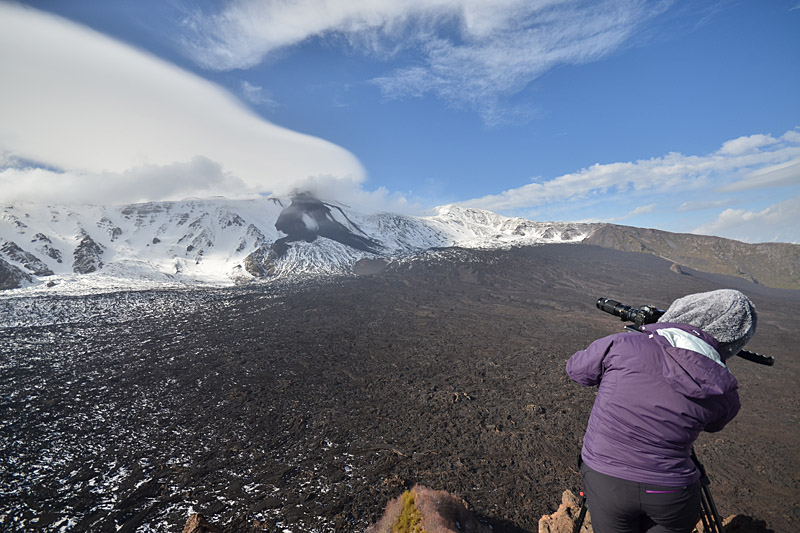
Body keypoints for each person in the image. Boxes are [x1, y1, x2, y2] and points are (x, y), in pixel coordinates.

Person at [566, 289, 757, 533]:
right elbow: (714, 423)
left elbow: (577, 370)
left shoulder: (623, 345)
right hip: (672, 493)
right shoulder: (725, 389)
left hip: (606, 480)